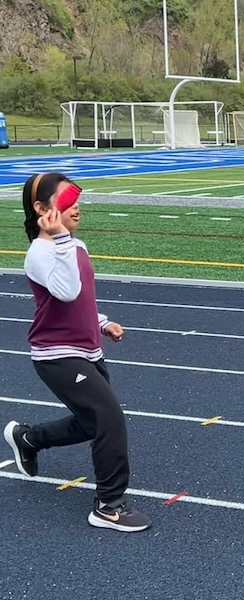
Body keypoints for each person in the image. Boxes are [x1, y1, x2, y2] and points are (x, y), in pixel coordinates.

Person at [3, 172, 151, 533]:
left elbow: (80, 300)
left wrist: (101, 322)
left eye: (76, 198)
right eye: (66, 199)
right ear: (41, 208)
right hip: (57, 356)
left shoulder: (75, 245)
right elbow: (66, 292)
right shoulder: (41, 251)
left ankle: (28, 438)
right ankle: (108, 506)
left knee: (91, 421)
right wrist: (61, 238)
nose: (76, 207)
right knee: (110, 419)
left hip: (87, 350)